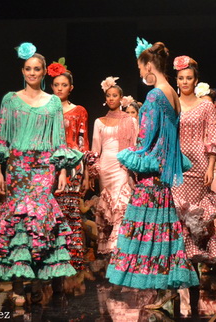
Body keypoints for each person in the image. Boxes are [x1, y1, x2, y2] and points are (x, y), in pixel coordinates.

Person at [0, 43, 83, 305]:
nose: (32, 73)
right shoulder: (10, 100)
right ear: (22, 70)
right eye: (28, 69)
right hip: (18, 167)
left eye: (37, 69)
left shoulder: (53, 102)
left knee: (40, 221)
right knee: (17, 220)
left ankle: (38, 281)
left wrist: (60, 171)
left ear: (45, 72)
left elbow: (60, 141)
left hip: (44, 167)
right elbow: (1, 140)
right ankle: (17, 284)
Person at [106, 39, 199, 307]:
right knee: (162, 231)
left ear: (149, 65)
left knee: (147, 230)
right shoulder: (173, 95)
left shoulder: (155, 95)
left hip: (150, 173)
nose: (139, 73)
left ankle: (157, 288)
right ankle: (162, 289)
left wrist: (132, 159)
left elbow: (146, 139)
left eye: (139, 67)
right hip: (162, 175)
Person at [172, 56, 216, 264]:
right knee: (177, 210)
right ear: (176, 80)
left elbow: (211, 137)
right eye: (181, 78)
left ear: (195, 80)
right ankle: (179, 260)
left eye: (188, 78)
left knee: (196, 214)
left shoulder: (206, 106)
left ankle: (194, 260)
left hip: (199, 165)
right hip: (177, 164)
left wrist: (210, 166)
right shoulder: (172, 105)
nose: (184, 82)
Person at [48, 58, 90, 272]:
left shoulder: (79, 110)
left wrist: (87, 172)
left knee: (70, 210)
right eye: (56, 85)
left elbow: (83, 142)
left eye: (64, 85)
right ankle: (52, 256)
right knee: (51, 209)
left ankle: (71, 257)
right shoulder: (46, 109)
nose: (60, 89)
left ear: (71, 88)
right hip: (50, 164)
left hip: (73, 163)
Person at [90, 76, 137, 254]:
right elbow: (95, 150)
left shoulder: (130, 121)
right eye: (108, 95)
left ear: (121, 98)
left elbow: (135, 145)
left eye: (114, 95)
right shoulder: (99, 122)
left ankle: (119, 246)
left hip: (122, 167)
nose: (111, 98)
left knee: (121, 205)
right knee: (108, 206)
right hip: (105, 168)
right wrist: (93, 170)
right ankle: (108, 248)